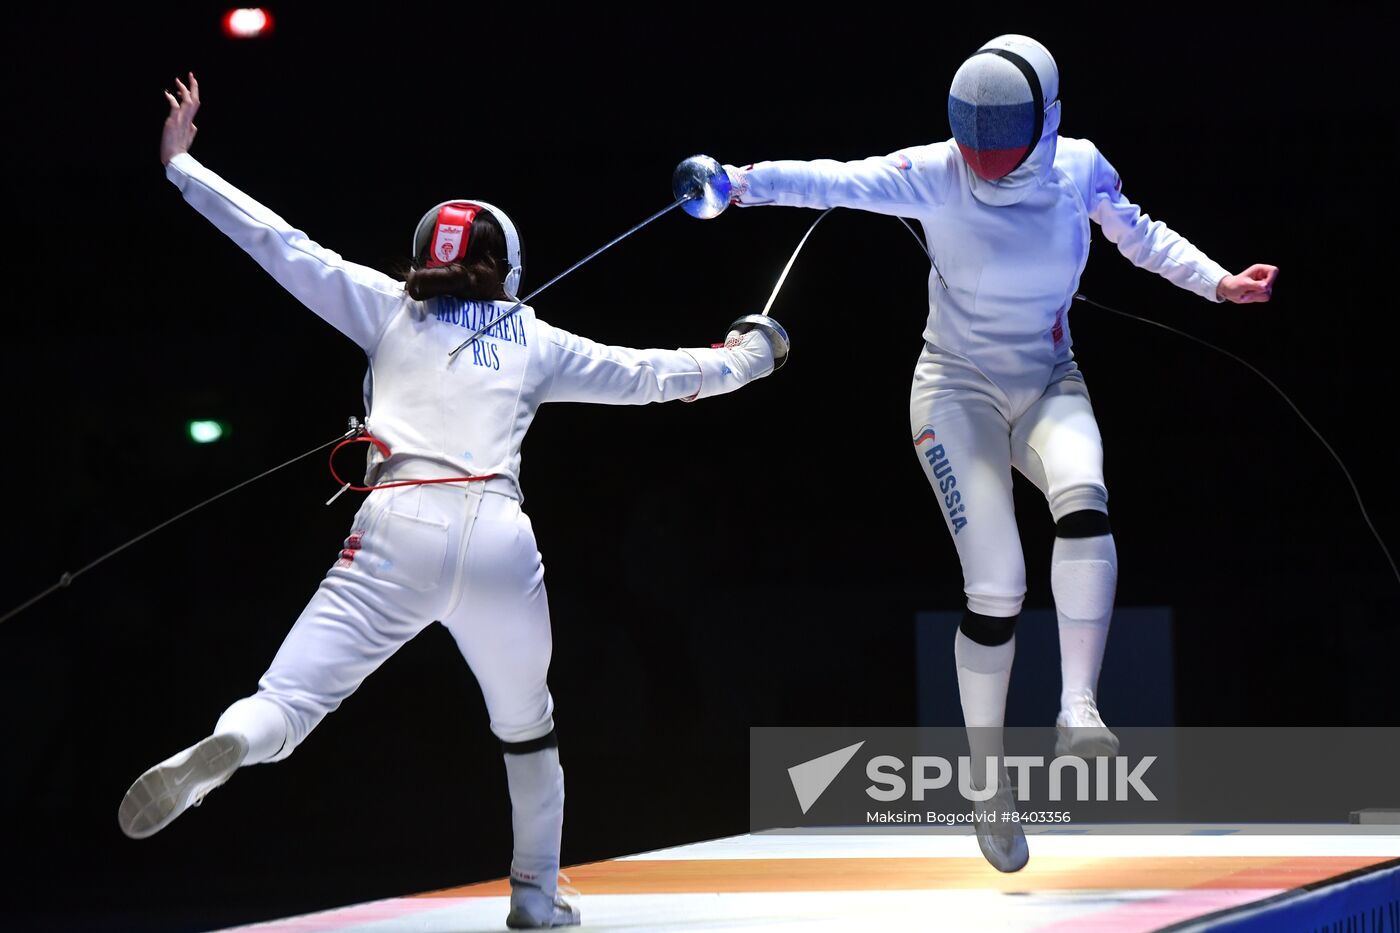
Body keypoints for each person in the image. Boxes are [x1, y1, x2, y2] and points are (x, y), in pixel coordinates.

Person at [119, 74, 785, 929]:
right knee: (528, 727)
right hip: (497, 538)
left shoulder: (386, 310)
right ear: (505, 265)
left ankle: (233, 743)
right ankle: (536, 901)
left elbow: (281, 245)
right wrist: (747, 357)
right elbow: (653, 375)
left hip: (393, 527)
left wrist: (183, 167)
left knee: (288, 700)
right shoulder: (539, 340)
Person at [716, 35, 1276, 872]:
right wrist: (739, 185)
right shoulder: (934, 171)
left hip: (1050, 378)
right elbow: (832, 178)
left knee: (1084, 492)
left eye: (1001, 133)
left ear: (1046, 122)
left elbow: (1141, 235)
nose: (981, 154)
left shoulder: (1080, 167)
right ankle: (986, 786)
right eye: (971, 133)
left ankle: (1077, 706)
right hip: (954, 391)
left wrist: (1219, 281)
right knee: (1000, 585)